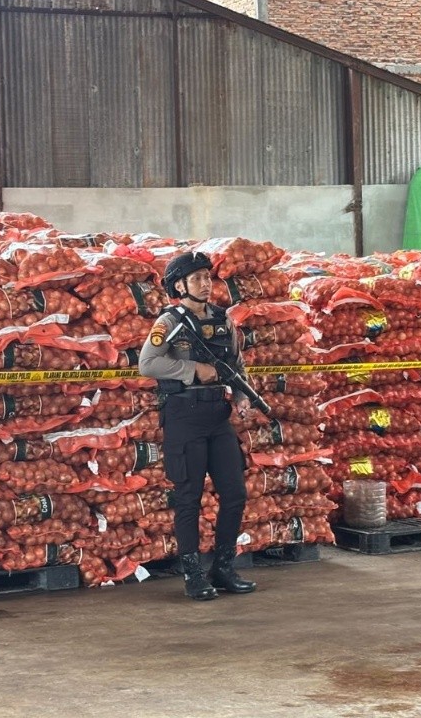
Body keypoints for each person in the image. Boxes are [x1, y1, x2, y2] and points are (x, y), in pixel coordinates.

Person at [138, 251, 256, 601]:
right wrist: (192, 371)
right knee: (189, 498)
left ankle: (222, 567)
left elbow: (235, 362)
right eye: (198, 278)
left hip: (217, 416)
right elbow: (148, 363)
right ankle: (193, 574)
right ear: (179, 285)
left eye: (208, 277)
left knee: (234, 493)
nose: (207, 284)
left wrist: (241, 394)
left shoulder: (223, 320)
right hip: (184, 414)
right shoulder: (170, 321)